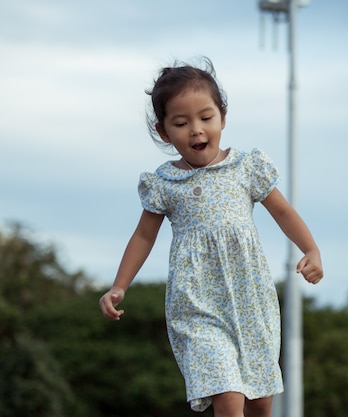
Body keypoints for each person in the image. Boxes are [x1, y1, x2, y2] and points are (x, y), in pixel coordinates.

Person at [99, 57, 323, 417]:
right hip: (197, 302)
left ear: (223, 116)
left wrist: (310, 249)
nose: (196, 130)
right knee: (228, 392)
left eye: (206, 118)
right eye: (181, 123)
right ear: (163, 131)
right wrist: (119, 285)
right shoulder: (164, 183)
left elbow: (282, 211)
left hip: (250, 298)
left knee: (260, 401)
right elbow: (143, 236)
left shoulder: (245, 168)